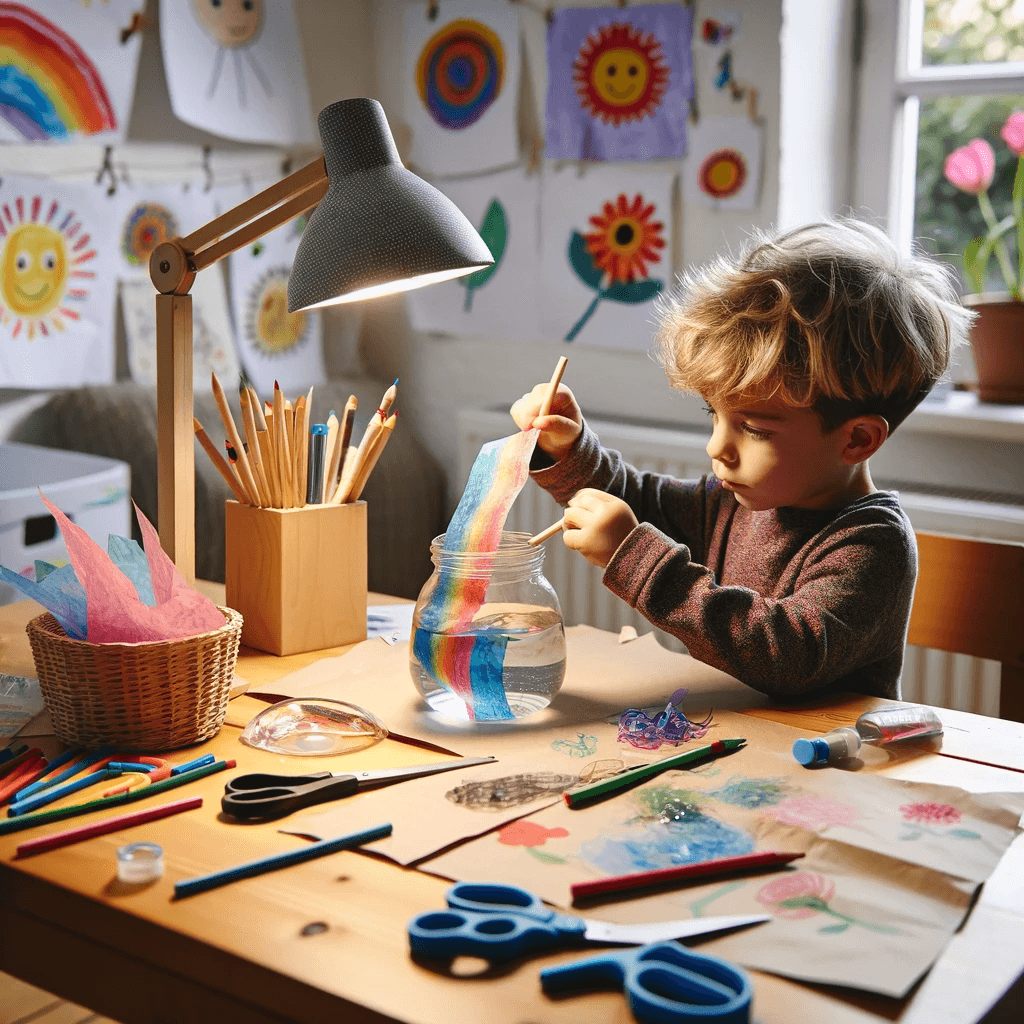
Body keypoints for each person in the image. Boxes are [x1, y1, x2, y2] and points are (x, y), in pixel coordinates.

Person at [510, 218, 973, 701]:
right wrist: (569, 449)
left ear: (856, 440)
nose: (716, 448)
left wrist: (638, 560)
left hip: (831, 767)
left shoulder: (872, 546)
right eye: (715, 415)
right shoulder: (733, 501)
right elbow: (637, 503)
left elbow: (783, 653)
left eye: (753, 428)